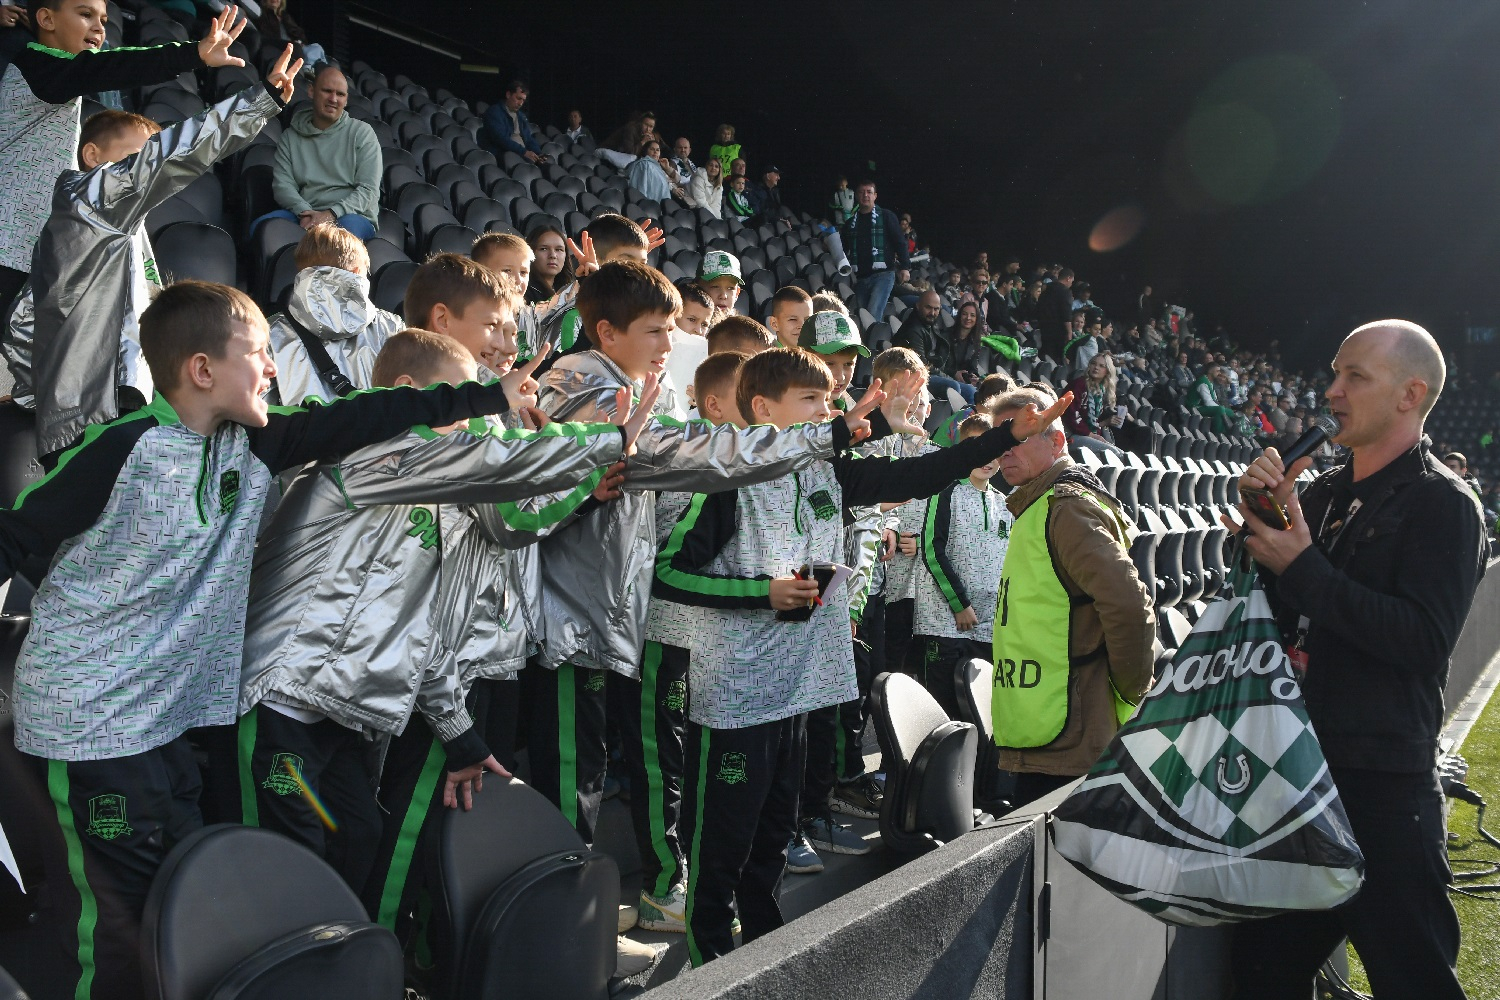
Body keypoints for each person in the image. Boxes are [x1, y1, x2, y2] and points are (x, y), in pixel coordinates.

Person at [0, 279, 549, 1000]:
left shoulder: (258, 442)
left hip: (169, 722)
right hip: (91, 724)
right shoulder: (123, 448)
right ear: (202, 370)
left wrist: (486, 396)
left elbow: (366, 413)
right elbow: (17, 533)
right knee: (112, 926)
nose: (271, 367)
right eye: (257, 353)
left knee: (173, 905)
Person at [656, 348, 1067, 966]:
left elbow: (921, 475)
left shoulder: (828, 471)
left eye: (827, 400)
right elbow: (666, 575)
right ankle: (707, 963)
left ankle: (758, 958)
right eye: (811, 400)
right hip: (737, 694)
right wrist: (762, 593)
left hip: (799, 690)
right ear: (762, 408)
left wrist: (1005, 436)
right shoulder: (727, 480)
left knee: (772, 837)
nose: (827, 411)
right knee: (724, 841)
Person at [522, 260, 903, 850]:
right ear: (607, 333)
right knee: (577, 772)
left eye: (671, 328)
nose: (670, 343)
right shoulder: (586, 389)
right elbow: (681, 456)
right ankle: (571, 889)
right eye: (656, 330)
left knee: (591, 766)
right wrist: (822, 436)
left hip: (600, 608)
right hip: (571, 611)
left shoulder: (632, 389)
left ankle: (587, 881)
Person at [235, 325, 623, 891]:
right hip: (278, 697)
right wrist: (607, 441)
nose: (469, 425)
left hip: (341, 714)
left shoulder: (442, 503)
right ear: (408, 393)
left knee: (358, 837)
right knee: (285, 865)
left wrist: (460, 735)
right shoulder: (367, 457)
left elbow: (426, 631)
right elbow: (490, 463)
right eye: (459, 406)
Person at [1227, 321, 1485, 1000]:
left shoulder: (1444, 504)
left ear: (1410, 395)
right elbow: (1273, 611)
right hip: (1295, 772)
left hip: (1381, 789)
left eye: (1355, 376)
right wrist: (1259, 528)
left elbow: (1422, 640)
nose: (1332, 391)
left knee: (1414, 980)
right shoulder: (1320, 492)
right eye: (1335, 373)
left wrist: (1303, 567)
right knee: (1260, 976)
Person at [6, 46, 300, 461]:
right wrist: (260, 101)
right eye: (136, 158)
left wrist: (44, 398)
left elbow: (22, 323)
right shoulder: (94, 199)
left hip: (77, 422)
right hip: (104, 418)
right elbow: (173, 153)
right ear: (92, 156)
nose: (145, 169)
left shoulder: (95, 226)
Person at [0, 1, 247, 321]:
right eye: (85, 14)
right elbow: (112, 66)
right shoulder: (39, 67)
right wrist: (192, 54)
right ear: (47, 19)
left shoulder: (54, 75)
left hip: (24, 247)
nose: (99, 27)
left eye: (103, 19)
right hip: (8, 245)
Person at [628, 350, 748, 934]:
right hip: (668, 633)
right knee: (661, 761)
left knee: (691, 759)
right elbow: (672, 566)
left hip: (709, 639)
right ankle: (661, 886)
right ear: (716, 405)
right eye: (752, 395)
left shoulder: (742, 458)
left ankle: (694, 875)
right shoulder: (703, 459)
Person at [988, 383, 1154, 805]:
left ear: (1057, 441)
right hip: (1050, 729)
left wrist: (1129, 692)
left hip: (1072, 734)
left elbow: (1129, 606)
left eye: (1018, 438)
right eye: (1000, 441)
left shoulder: (1066, 508)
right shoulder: (1038, 504)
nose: (1004, 452)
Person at [910, 412, 1012, 717]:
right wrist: (960, 604)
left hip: (985, 627)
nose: (987, 459)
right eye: (977, 448)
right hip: (944, 621)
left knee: (977, 714)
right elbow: (932, 551)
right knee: (940, 711)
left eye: (993, 450)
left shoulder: (1005, 503)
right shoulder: (945, 491)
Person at [264, 223, 400, 406]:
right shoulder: (391, 327)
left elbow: (260, 409)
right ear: (357, 272)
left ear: (302, 271)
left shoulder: (267, 334)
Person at [263, 63, 380, 240]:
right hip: (304, 213)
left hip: (352, 215)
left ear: (346, 100)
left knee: (335, 242)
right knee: (263, 228)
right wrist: (305, 213)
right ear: (311, 91)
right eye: (327, 91)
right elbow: (283, 185)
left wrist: (331, 213)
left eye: (340, 94)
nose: (333, 99)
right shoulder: (290, 137)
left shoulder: (362, 133)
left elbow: (368, 190)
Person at [839, 180, 910, 323]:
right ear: (857, 196)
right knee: (862, 316)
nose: (865, 195)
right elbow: (842, 248)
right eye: (861, 192)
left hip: (883, 275)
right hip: (861, 278)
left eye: (869, 192)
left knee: (872, 315)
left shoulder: (887, 216)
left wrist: (905, 267)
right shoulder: (850, 223)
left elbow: (900, 242)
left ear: (875, 196)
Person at [1064, 354, 1122, 452]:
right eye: (1093, 363)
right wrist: (1091, 435)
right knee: (1112, 452)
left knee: (1120, 452)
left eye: (1101, 366)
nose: (1096, 368)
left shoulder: (1100, 390)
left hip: (1086, 434)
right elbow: (1071, 415)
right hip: (1069, 435)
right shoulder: (1079, 384)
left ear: (1107, 371)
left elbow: (1093, 422)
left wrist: (1096, 435)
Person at [482, 78, 547, 164]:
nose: (521, 103)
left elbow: (529, 139)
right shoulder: (494, 112)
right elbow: (501, 139)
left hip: (522, 155)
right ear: (508, 95)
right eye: (518, 98)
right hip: (506, 155)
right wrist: (524, 152)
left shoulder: (521, 116)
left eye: (523, 100)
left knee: (547, 165)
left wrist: (538, 153)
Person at [525, 221, 574, 303]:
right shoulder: (523, 291)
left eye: (559, 249)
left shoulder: (569, 290)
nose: (553, 255)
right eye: (543, 249)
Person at [1036, 268, 1076, 361]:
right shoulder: (1065, 292)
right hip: (1057, 331)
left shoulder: (1047, 288)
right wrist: (1069, 332)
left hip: (1043, 326)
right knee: (1055, 357)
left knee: (1044, 353)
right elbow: (1066, 315)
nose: (1071, 284)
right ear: (1068, 278)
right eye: (1072, 281)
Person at [626, 137, 675, 202]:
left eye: (657, 150)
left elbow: (677, 180)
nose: (655, 152)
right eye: (652, 149)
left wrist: (667, 168)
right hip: (646, 205)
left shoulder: (659, 168)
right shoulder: (643, 164)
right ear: (646, 151)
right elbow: (641, 188)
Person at [765, 285, 813, 351]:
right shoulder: (767, 356)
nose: (802, 326)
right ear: (774, 324)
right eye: (793, 319)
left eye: (807, 319)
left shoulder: (819, 353)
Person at [697, 249, 743, 314]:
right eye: (715, 286)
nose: (723, 296)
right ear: (697, 289)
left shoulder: (739, 321)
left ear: (737, 293)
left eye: (730, 288)